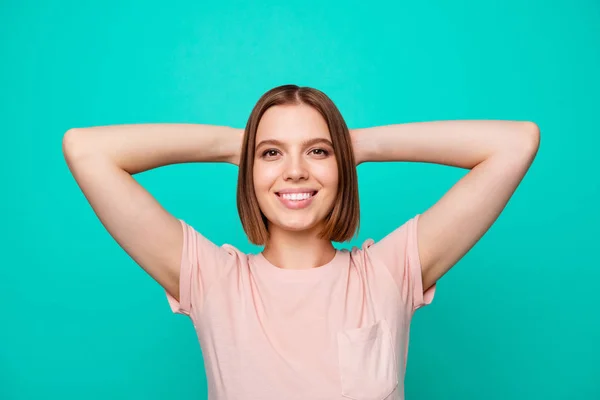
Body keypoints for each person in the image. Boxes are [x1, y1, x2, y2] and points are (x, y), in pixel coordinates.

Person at [62, 84, 540, 400]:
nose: (295, 170)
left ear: (342, 167)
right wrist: (237, 144)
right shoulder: (211, 279)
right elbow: (86, 150)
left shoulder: (389, 271)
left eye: (318, 151)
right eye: (271, 153)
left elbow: (515, 143)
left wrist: (358, 145)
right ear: (249, 170)